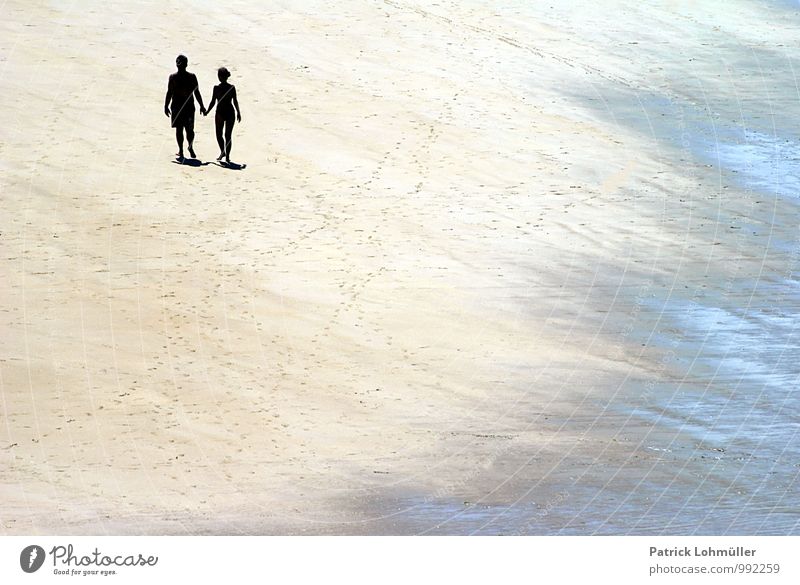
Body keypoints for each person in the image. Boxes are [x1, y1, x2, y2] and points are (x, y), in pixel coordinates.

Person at [164, 55, 206, 160]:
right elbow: (197, 92)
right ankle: (188, 148)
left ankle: (182, 150)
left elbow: (169, 92)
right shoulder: (191, 77)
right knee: (189, 130)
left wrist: (166, 106)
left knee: (180, 129)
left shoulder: (173, 77)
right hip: (187, 107)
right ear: (186, 64)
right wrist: (201, 105)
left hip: (179, 107)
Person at [204, 67, 241, 164]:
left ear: (220, 77)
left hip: (220, 112)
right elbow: (235, 101)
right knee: (228, 135)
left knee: (219, 134)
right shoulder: (231, 88)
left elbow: (213, 101)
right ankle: (227, 156)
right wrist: (238, 112)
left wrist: (207, 111)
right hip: (230, 112)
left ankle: (223, 152)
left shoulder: (216, 88)